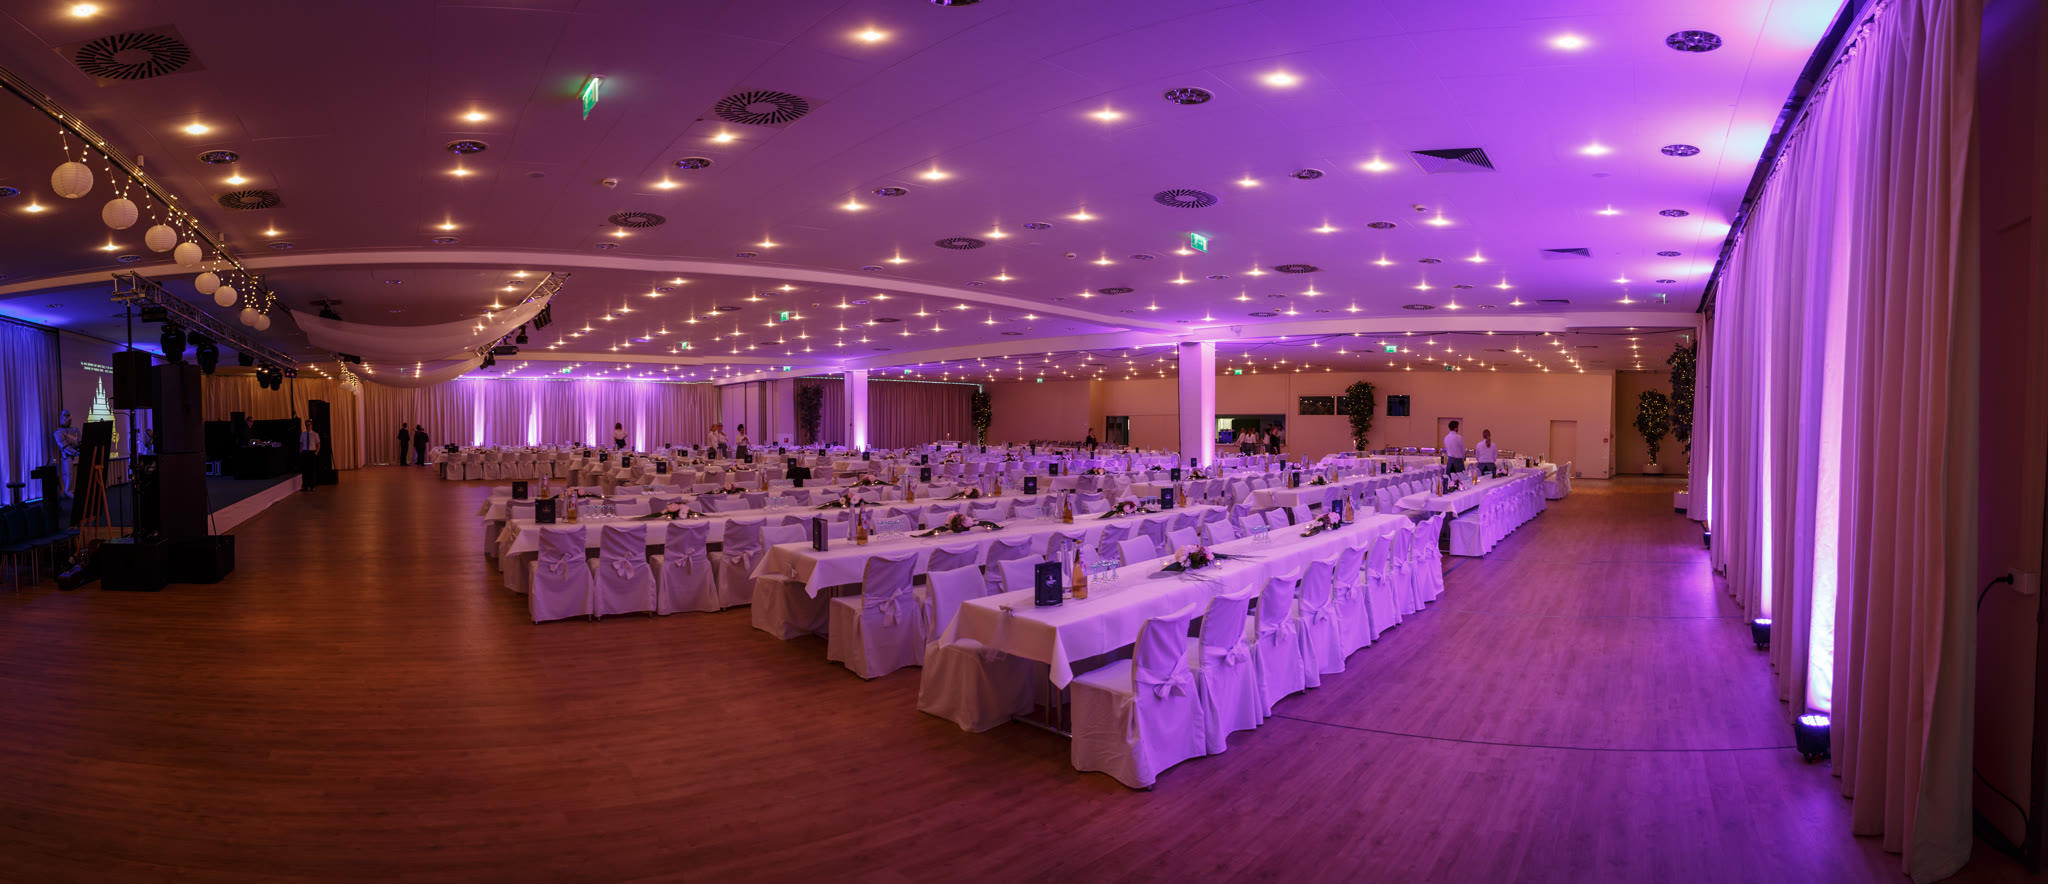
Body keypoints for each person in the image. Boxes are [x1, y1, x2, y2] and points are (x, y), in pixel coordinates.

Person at [53, 409, 81, 498]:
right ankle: (67, 490)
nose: (67, 419)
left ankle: (69, 490)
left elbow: (79, 442)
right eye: (65, 416)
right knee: (68, 474)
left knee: (71, 474)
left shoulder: (75, 430)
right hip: (67, 456)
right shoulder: (59, 432)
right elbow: (64, 446)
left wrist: (78, 450)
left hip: (74, 453)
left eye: (68, 416)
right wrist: (75, 453)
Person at [298, 418, 323, 491]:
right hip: (305, 452)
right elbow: (301, 444)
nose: (307, 426)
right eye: (306, 425)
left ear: (311, 425)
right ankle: (305, 486)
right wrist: (300, 452)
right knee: (305, 470)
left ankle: (312, 486)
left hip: (312, 453)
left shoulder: (315, 434)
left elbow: (318, 444)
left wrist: (316, 452)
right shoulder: (303, 434)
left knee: (312, 470)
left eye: (308, 425)